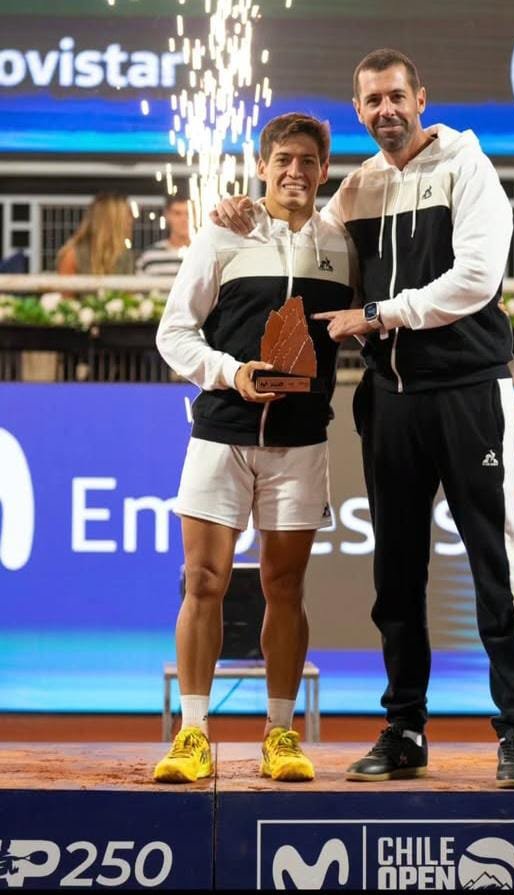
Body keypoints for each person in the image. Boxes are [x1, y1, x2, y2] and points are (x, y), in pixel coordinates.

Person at [212, 49, 514, 789]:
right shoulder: (356, 190)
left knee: (495, 563)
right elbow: (300, 233)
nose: (386, 110)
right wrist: (244, 210)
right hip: (389, 400)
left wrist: (377, 314)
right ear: (359, 111)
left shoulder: (468, 169)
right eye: (372, 101)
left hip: (469, 392)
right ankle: (405, 727)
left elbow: (476, 280)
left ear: (420, 97)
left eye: (397, 96)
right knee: (395, 573)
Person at [153, 112, 356, 784]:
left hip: (300, 441)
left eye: (307, 161)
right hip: (221, 433)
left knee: (286, 587)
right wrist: (231, 372)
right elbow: (175, 335)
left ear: (324, 170)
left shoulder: (345, 245)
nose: (294, 171)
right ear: (263, 166)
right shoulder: (225, 231)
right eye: (282, 160)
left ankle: (280, 732)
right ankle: (192, 732)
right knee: (204, 581)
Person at [57, 193, 134, 274]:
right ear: (112, 221)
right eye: (127, 216)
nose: (130, 221)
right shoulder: (73, 256)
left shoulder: (124, 255)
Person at [136, 196, 191, 277]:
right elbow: (138, 287)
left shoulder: (204, 254)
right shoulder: (149, 256)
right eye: (177, 213)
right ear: (167, 215)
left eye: (188, 214)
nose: (184, 219)